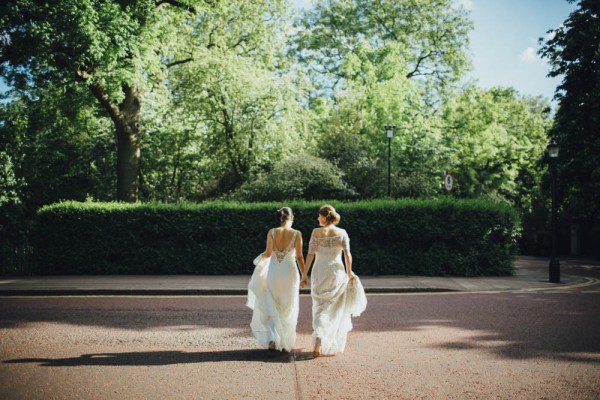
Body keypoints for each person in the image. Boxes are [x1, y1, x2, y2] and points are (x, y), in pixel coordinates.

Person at [301, 204, 367, 358]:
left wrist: (304, 274)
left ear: (324, 217)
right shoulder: (341, 232)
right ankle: (324, 337)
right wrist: (349, 272)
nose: (317, 218)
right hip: (336, 270)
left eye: (319, 215)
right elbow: (347, 254)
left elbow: (310, 254)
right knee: (334, 307)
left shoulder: (316, 232)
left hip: (320, 271)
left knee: (319, 305)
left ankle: (319, 337)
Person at [247, 207, 305, 353]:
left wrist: (259, 260)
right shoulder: (297, 234)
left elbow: (267, 253)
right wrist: (304, 274)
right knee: (288, 306)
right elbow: (299, 257)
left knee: (273, 304)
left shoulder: (272, 232)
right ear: (291, 218)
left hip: (274, 272)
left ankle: (272, 339)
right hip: (289, 272)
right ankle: (285, 342)